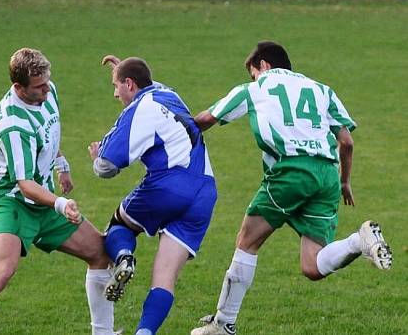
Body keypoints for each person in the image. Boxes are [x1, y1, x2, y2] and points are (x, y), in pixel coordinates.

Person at [190, 41, 393, 335]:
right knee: (312, 266)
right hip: (326, 176)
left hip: (290, 172)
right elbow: (346, 142)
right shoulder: (323, 90)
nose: (253, 79)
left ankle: (223, 324)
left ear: (264, 66)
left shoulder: (254, 89)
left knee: (247, 241)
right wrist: (344, 181)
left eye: (253, 73)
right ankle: (358, 242)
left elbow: (205, 120)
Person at [0, 48, 115, 335]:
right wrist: (61, 204)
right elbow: (24, 184)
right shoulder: (11, 125)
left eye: (47, 82)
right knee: (1, 272)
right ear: (18, 87)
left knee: (100, 253)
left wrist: (61, 163)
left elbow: (49, 132)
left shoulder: (48, 91)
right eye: (38, 87)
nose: (46, 90)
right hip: (11, 201)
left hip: (45, 199)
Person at [89, 56, 217, 335]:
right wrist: (124, 68)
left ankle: (124, 257)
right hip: (205, 191)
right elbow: (147, 83)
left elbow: (107, 167)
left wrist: (97, 156)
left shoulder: (136, 111)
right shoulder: (168, 93)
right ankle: (145, 332)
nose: (114, 93)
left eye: (116, 86)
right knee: (164, 278)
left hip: (169, 186)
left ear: (129, 84)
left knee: (119, 226)